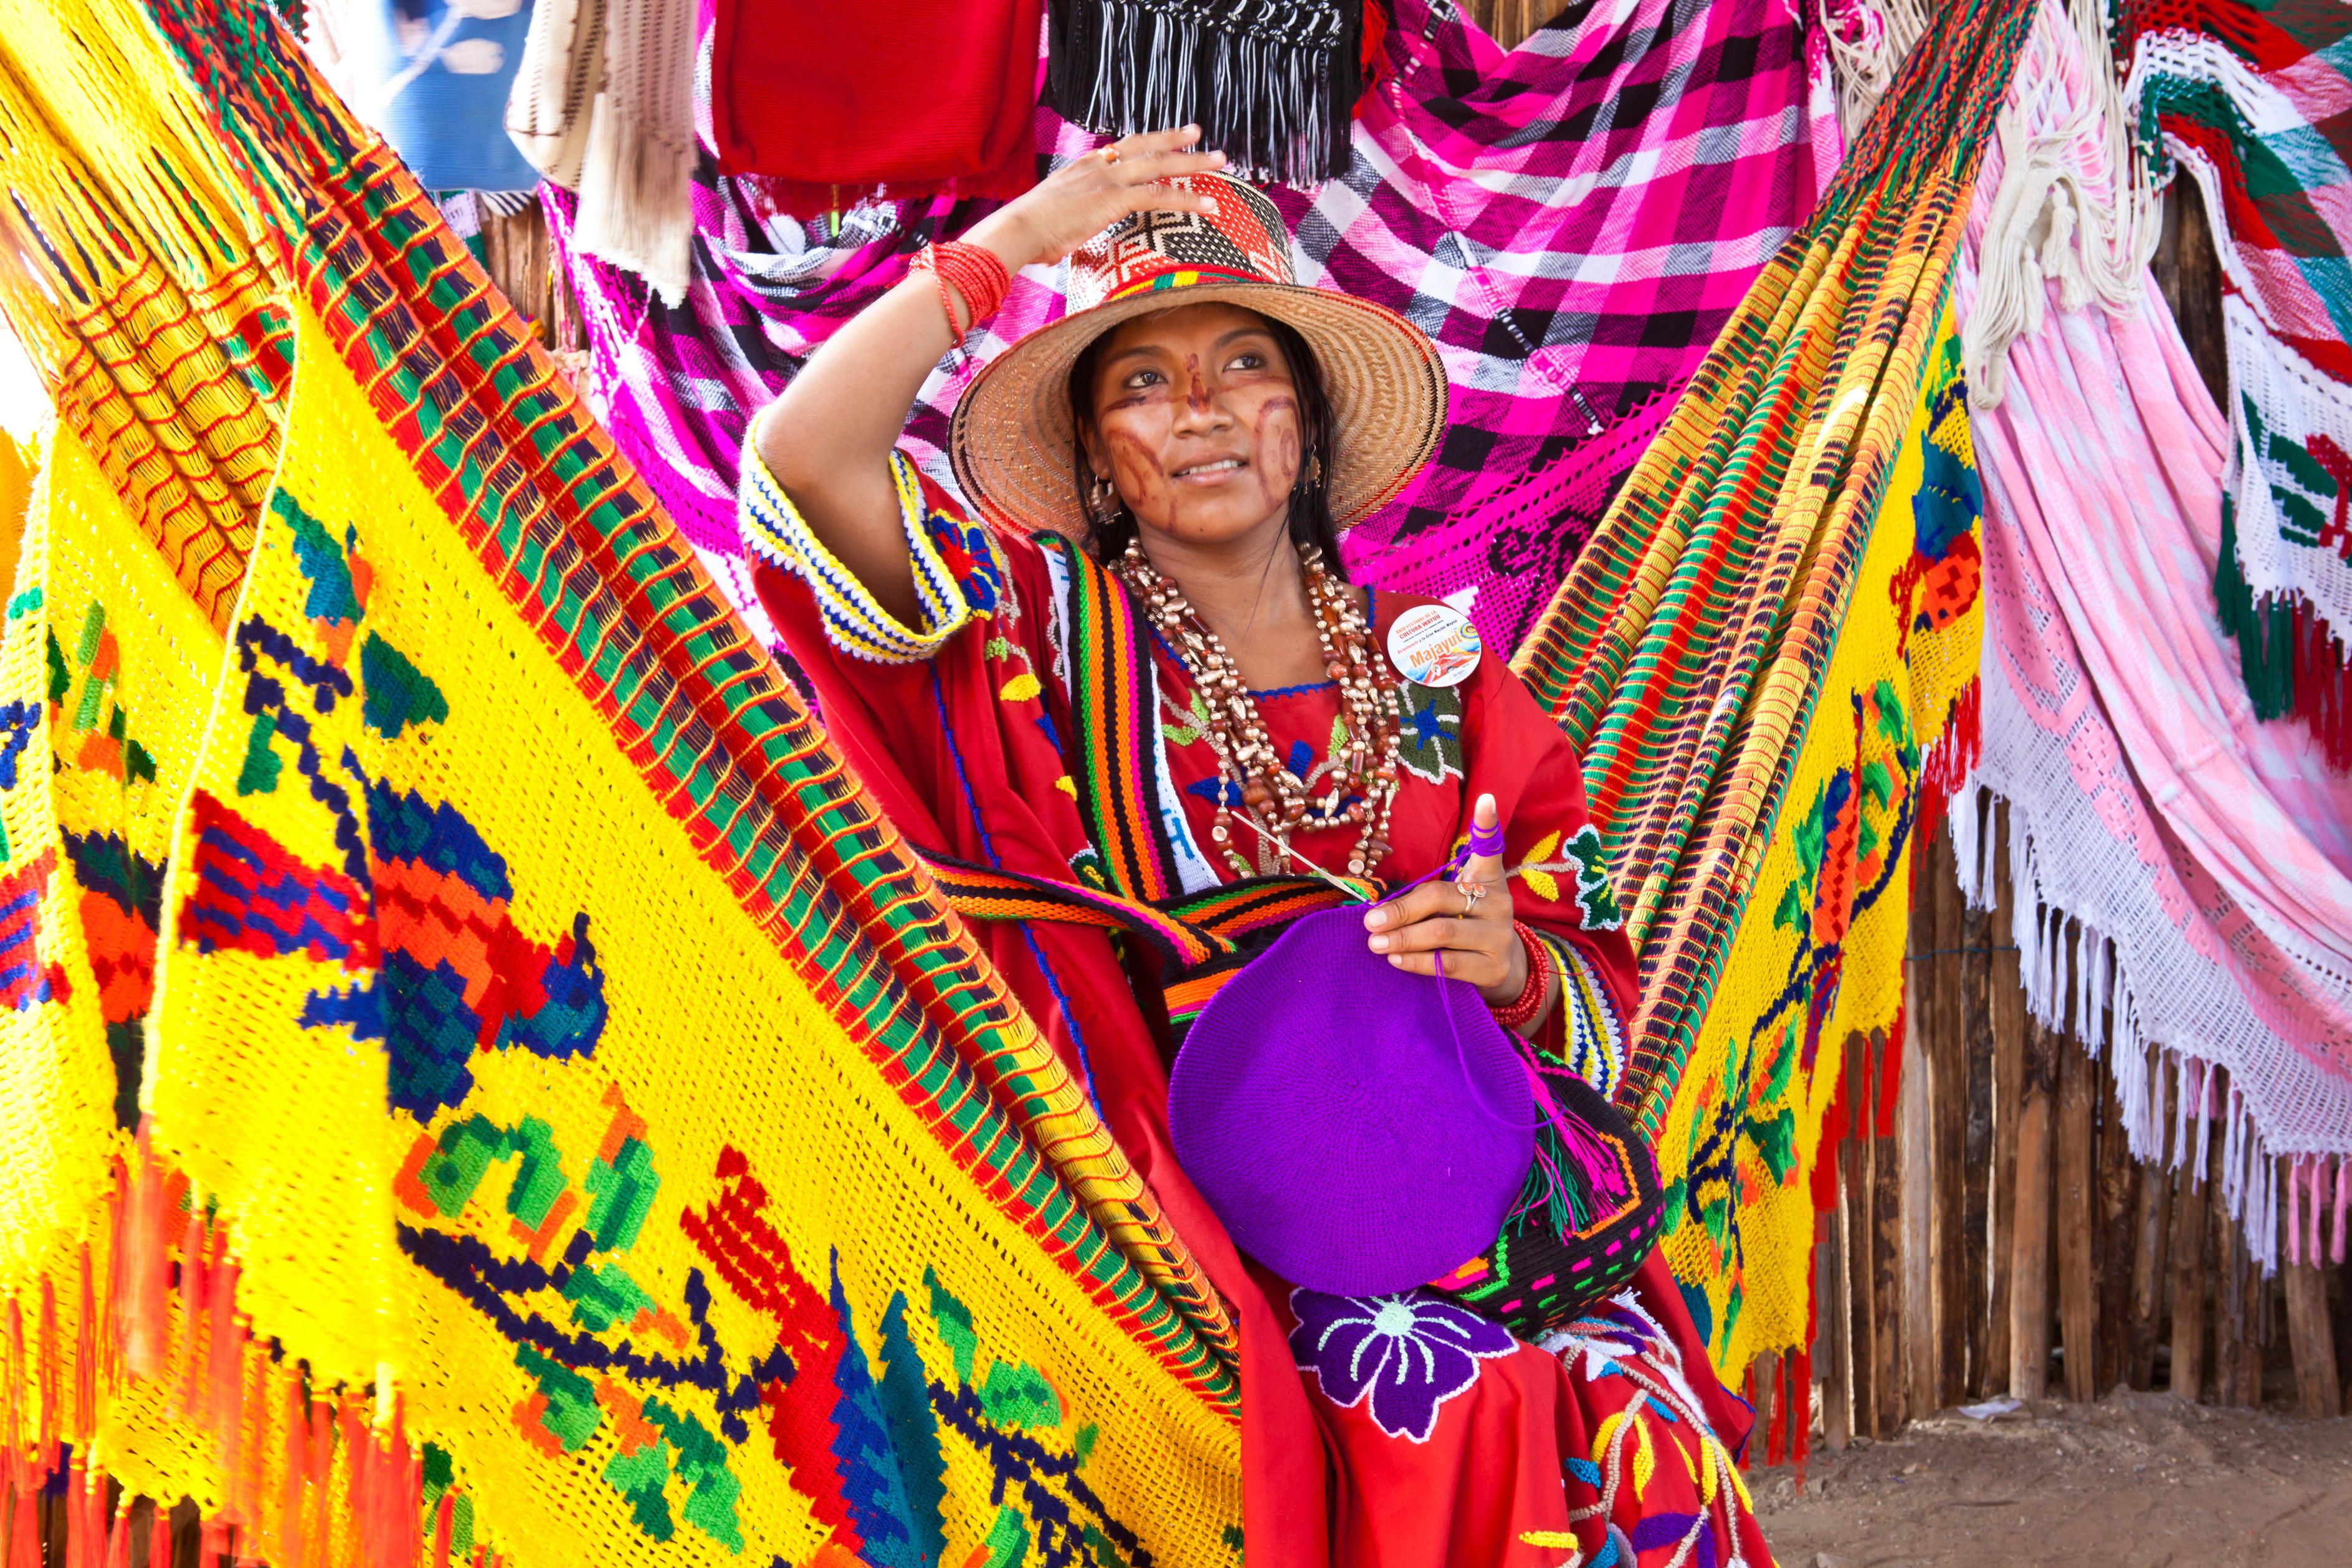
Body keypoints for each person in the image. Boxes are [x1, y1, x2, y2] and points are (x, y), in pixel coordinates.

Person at [741, 127, 1771, 1568]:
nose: (1201, 411)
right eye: (1141, 383)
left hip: (1454, 1191)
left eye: (1243, 366)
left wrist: (1512, 963)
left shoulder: (1437, 672)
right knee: (1451, 1396)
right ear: (1097, 456)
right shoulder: (1034, 636)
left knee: (1636, 1403)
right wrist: (1010, 246)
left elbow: (1589, 975)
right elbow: (799, 462)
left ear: (1306, 423)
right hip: (1172, 1225)